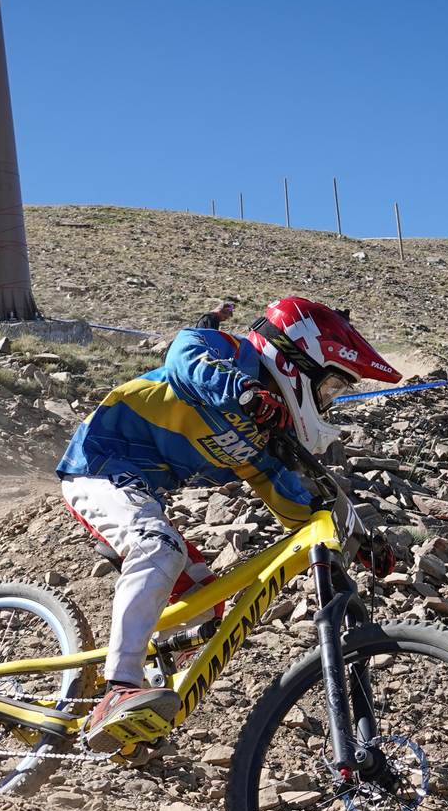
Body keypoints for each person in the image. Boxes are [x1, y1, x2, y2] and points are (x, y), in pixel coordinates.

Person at [57, 297, 402, 753]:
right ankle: (119, 687)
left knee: (202, 605)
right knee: (159, 547)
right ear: (298, 359)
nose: (329, 401)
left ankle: (140, 717)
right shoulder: (232, 356)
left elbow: (298, 502)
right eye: (331, 386)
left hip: (142, 491)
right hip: (99, 465)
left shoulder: (264, 437)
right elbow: (184, 354)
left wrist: (358, 539)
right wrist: (242, 391)